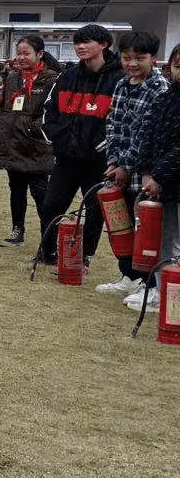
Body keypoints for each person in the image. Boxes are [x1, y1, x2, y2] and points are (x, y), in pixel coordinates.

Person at [37, 25, 123, 268]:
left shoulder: (118, 79)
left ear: (104, 44)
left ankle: (82, 258)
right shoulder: (68, 76)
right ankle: (48, 253)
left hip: (99, 163)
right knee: (51, 205)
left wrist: (106, 148)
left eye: (87, 42)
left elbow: (122, 120)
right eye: (77, 42)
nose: (81, 47)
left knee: (95, 212)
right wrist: (57, 138)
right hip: (66, 159)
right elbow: (48, 111)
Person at [97, 31, 170, 297]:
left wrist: (126, 166)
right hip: (121, 169)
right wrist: (115, 160)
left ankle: (150, 284)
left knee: (147, 229)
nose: (132, 64)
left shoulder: (160, 89)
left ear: (154, 58)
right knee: (122, 225)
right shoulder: (121, 84)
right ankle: (129, 274)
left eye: (139, 58)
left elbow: (146, 133)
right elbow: (113, 124)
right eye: (127, 58)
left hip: (146, 172)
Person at [0, 34, 57, 247]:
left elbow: (52, 111)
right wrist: (2, 124)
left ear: (40, 54)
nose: (21, 58)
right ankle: (17, 231)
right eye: (19, 53)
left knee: (40, 192)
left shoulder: (51, 79)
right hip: (13, 142)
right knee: (16, 189)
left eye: (26, 53)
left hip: (36, 145)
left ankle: (47, 237)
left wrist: (32, 128)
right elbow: (5, 107)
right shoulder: (12, 78)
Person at [129, 42, 180, 311]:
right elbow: (146, 137)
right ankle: (162, 293)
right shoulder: (165, 97)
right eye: (177, 64)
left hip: (170, 180)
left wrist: (159, 175)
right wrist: (148, 171)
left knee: (176, 244)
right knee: (163, 241)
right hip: (161, 184)